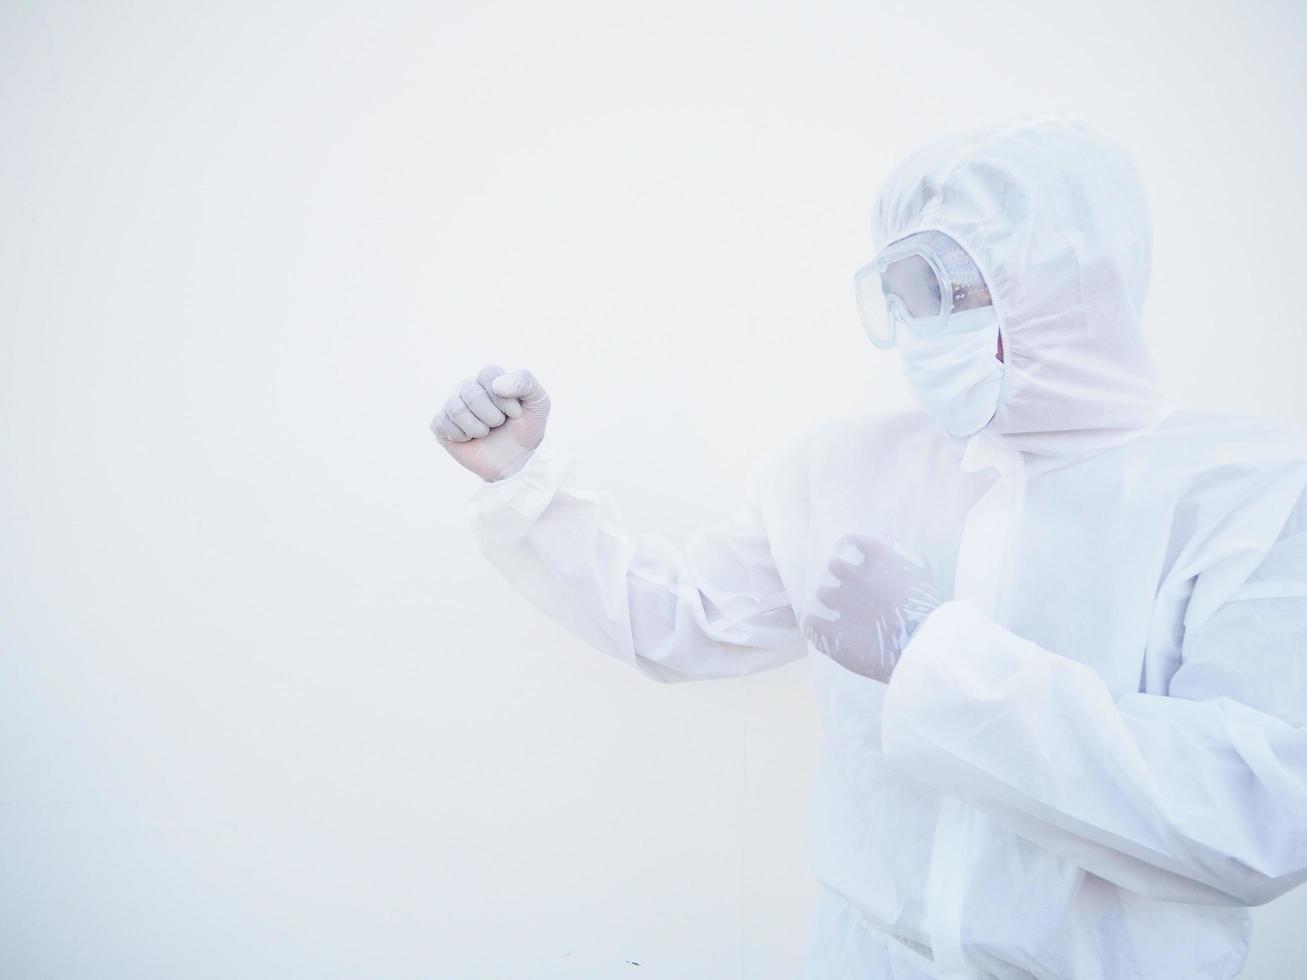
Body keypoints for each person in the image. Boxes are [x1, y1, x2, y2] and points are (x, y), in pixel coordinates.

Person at [430, 116, 1307, 979]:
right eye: (897, 293)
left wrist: (930, 652)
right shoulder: (846, 468)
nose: (916, 325)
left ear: (1062, 281)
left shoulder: (1241, 493)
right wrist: (525, 484)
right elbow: (684, 623)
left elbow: (1253, 817)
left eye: (940, 287)